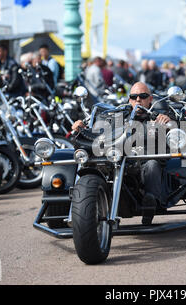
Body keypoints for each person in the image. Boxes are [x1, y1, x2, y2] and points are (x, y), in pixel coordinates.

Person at [71, 82, 171, 225]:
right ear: (129, 99)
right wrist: (82, 128)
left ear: (150, 99)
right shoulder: (119, 116)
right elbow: (100, 134)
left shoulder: (157, 116)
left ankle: (151, 203)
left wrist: (167, 122)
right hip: (120, 160)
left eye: (142, 96)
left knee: (152, 165)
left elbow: (174, 128)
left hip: (144, 162)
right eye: (134, 96)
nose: (138, 100)